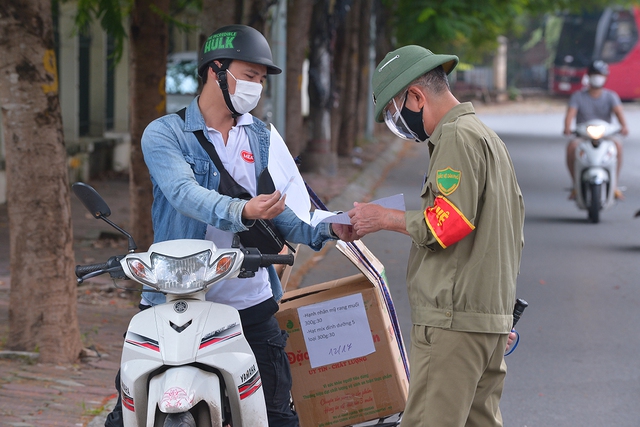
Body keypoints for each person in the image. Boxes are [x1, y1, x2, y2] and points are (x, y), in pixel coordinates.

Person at [104, 24, 357, 427]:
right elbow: (183, 193)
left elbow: (284, 213)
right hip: (173, 299)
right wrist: (244, 211)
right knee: (125, 416)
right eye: (250, 75)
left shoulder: (262, 137)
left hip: (247, 301)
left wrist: (334, 226)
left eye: (261, 79)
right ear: (216, 70)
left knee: (278, 415)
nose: (256, 86)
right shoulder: (165, 134)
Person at [347, 45, 525, 427]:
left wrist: (382, 217)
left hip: (453, 321)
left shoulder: (456, 136)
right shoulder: (487, 138)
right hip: (486, 320)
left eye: (395, 111)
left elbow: (448, 223)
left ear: (416, 95)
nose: (398, 122)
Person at [563, 60, 629, 200]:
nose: (597, 77)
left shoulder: (611, 96)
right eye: (594, 74)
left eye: (599, 74)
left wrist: (624, 126)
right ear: (588, 76)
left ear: (605, 76)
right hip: (584, 135)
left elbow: (619, 114)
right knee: (571, 147)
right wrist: (567, 128)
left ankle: (614, 185)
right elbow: (570, 115)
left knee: (618, 146)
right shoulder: (578, 96)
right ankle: (576, 185)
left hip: (605, 135)